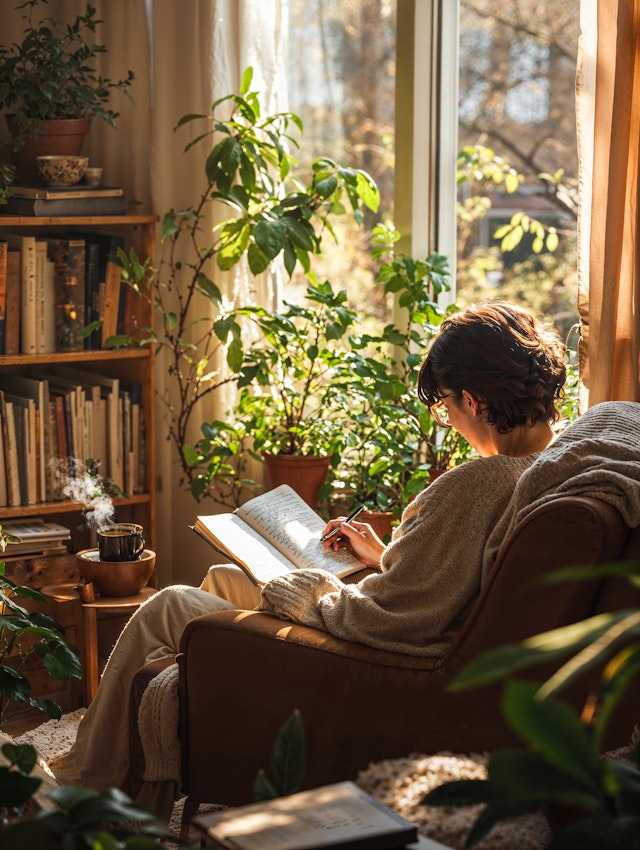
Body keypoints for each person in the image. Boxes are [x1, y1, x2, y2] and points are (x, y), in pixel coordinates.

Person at [49, 300, 567, 816]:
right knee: (225, 577)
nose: (448, 421)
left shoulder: (477, 484)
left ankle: (85, 780)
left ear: (473, 400)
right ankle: (205, 695)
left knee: (168, 605)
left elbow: (389, 619)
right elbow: (441, 586)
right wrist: (382, 555)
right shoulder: (552, 459)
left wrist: (309, 589)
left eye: (445, 407)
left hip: (368, 653)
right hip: (410, 632)